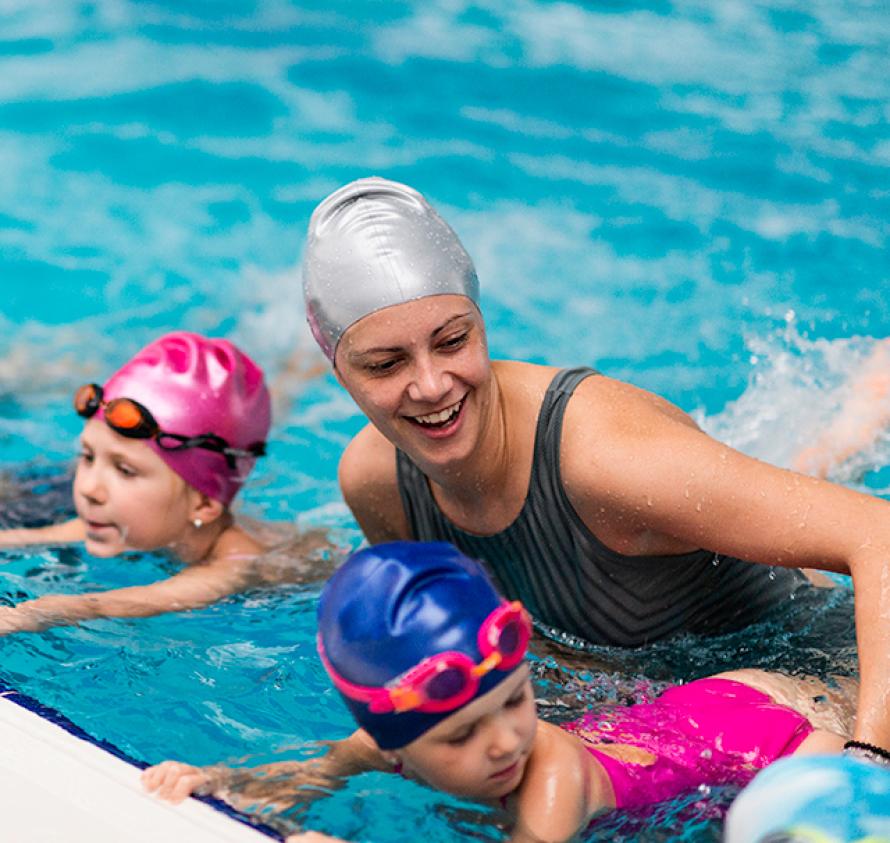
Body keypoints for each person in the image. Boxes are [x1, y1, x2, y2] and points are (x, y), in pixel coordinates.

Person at [299, 175, 890, 752]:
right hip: (659, 696)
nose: (430, 386)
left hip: (826, 670)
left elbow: (877, 533)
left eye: (453, 342)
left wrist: (869, 765)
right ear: (338, 369)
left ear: (482, 324)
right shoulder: (376, 483)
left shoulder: (604, 460)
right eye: (385, 365)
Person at [142, 542, 855, 843]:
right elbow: (308, 775)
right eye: (460, 734)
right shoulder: (385, 741)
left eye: (515, 699)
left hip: (782, 740)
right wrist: (218, 779)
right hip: (701, 710)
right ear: (395, 740)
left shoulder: (550, 782)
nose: (508, 738)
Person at [0, 331, 317, 634]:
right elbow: (40, 536)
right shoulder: (121, 518)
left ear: (204, 504)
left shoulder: (236, 562)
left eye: (125, 470)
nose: (88, 489)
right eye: (87, 456)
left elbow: (146, 599)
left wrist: (27, 614)